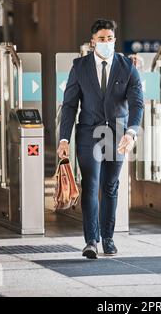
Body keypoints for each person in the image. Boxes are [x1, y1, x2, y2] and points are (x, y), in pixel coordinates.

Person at [57, 19, 144, 259]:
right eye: (102, 39)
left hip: (117, 133)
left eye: (110, 38)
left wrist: (131, 132)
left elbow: (137, 104)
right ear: (93, 41)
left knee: (110, 186)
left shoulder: (127, 67)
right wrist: (64, 138)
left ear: (115, 40)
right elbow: (69, 105)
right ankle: (91, 241)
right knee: (91, 184)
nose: (107, 43)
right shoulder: (80, 66)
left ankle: (108, 238)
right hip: (89, 133)